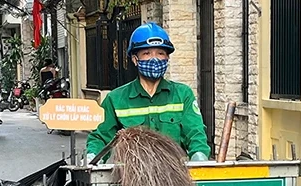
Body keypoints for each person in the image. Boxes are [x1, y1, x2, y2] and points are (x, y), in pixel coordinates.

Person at [86, 23, 211, 163]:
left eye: (160, 53)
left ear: (167, 58)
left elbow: (195, 133)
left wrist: (199, 157)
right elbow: (100, 137)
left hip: (175, 177)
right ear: (135, 59)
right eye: (146, 53)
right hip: (133, 177)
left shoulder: (183, 95)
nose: (154, 59)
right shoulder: (116, 99)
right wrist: (92, 157)